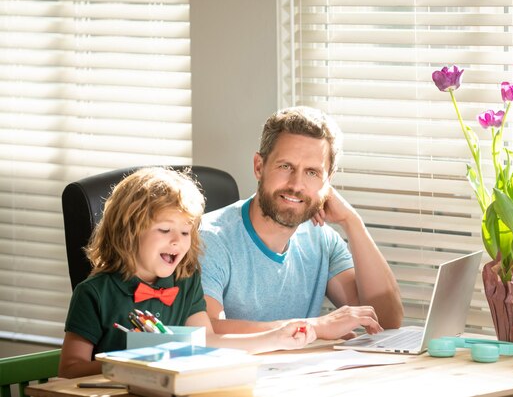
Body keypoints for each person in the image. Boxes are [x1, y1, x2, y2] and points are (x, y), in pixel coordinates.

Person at [59, 167, 315, 378]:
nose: (177, 242)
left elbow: (209, 341)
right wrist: (131, 363)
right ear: (129, 231)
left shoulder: (186, 281)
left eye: (185, 232)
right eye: (164, 230)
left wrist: (274, 339)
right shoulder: (93, 294)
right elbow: (70, 370)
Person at [199, 106, 404, 340]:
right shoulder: (210, 239)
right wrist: (312, 327)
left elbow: (386, 321)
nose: (296, 185)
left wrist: (352, 222)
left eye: (312, 173)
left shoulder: (320, 238)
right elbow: (207, 330)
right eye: (286, 166)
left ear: (328, 181)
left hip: (304, 373)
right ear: (259, 166)